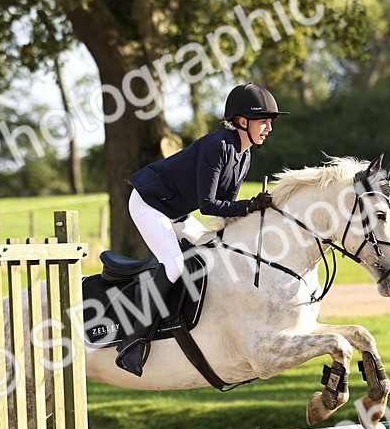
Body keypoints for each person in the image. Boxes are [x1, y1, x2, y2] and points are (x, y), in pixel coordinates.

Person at [115, 82, 288, 376]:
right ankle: (133, 342)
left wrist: (259, 216)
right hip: (149, 203)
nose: (269, 128)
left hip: (176, 211)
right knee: (172, 264)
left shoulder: (244, 156)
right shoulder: (217, 145)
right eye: (264, 121)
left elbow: (226, 210)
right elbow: (209, 205)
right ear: (242, 121)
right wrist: (249, 206)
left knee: (215, 253)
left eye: (270, 122)